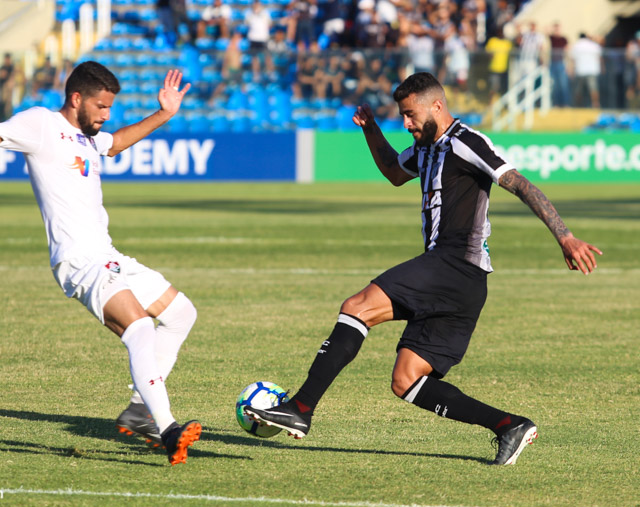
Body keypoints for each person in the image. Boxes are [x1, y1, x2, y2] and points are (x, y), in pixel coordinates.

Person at [244, 72, 602, 465]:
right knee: (407, 381)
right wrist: (371, 130)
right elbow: (395, 172)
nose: (407, 124)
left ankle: (301, 408)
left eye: (411, 115)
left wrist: (565, 236)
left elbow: (519, 184)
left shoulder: (467, 142)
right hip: (461, 284)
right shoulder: (425, 150)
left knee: (357, 305)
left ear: (437, 106)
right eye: (402, 116)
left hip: (454, 264)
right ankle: (509, 425)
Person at [0, 62, 202, 466]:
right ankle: (168, 428)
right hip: (79, 260)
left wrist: (164, 114)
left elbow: (116, 143)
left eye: (109, 108)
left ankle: (140, 411)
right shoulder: (41, 124)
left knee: (180, 314)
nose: (106, 115)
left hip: (108, 255)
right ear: (76, 98)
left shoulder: (91, 138)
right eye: (101, 106)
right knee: (138, 328)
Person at [571, 33, 602, 108]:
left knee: (578, 90)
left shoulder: (576, 45)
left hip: (580, 70)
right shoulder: (594, 45)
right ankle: (595, 104)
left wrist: (571, 70)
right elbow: (599, 57)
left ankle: (578, 105)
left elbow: (572, 59)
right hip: (592, 70)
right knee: (593, 89)